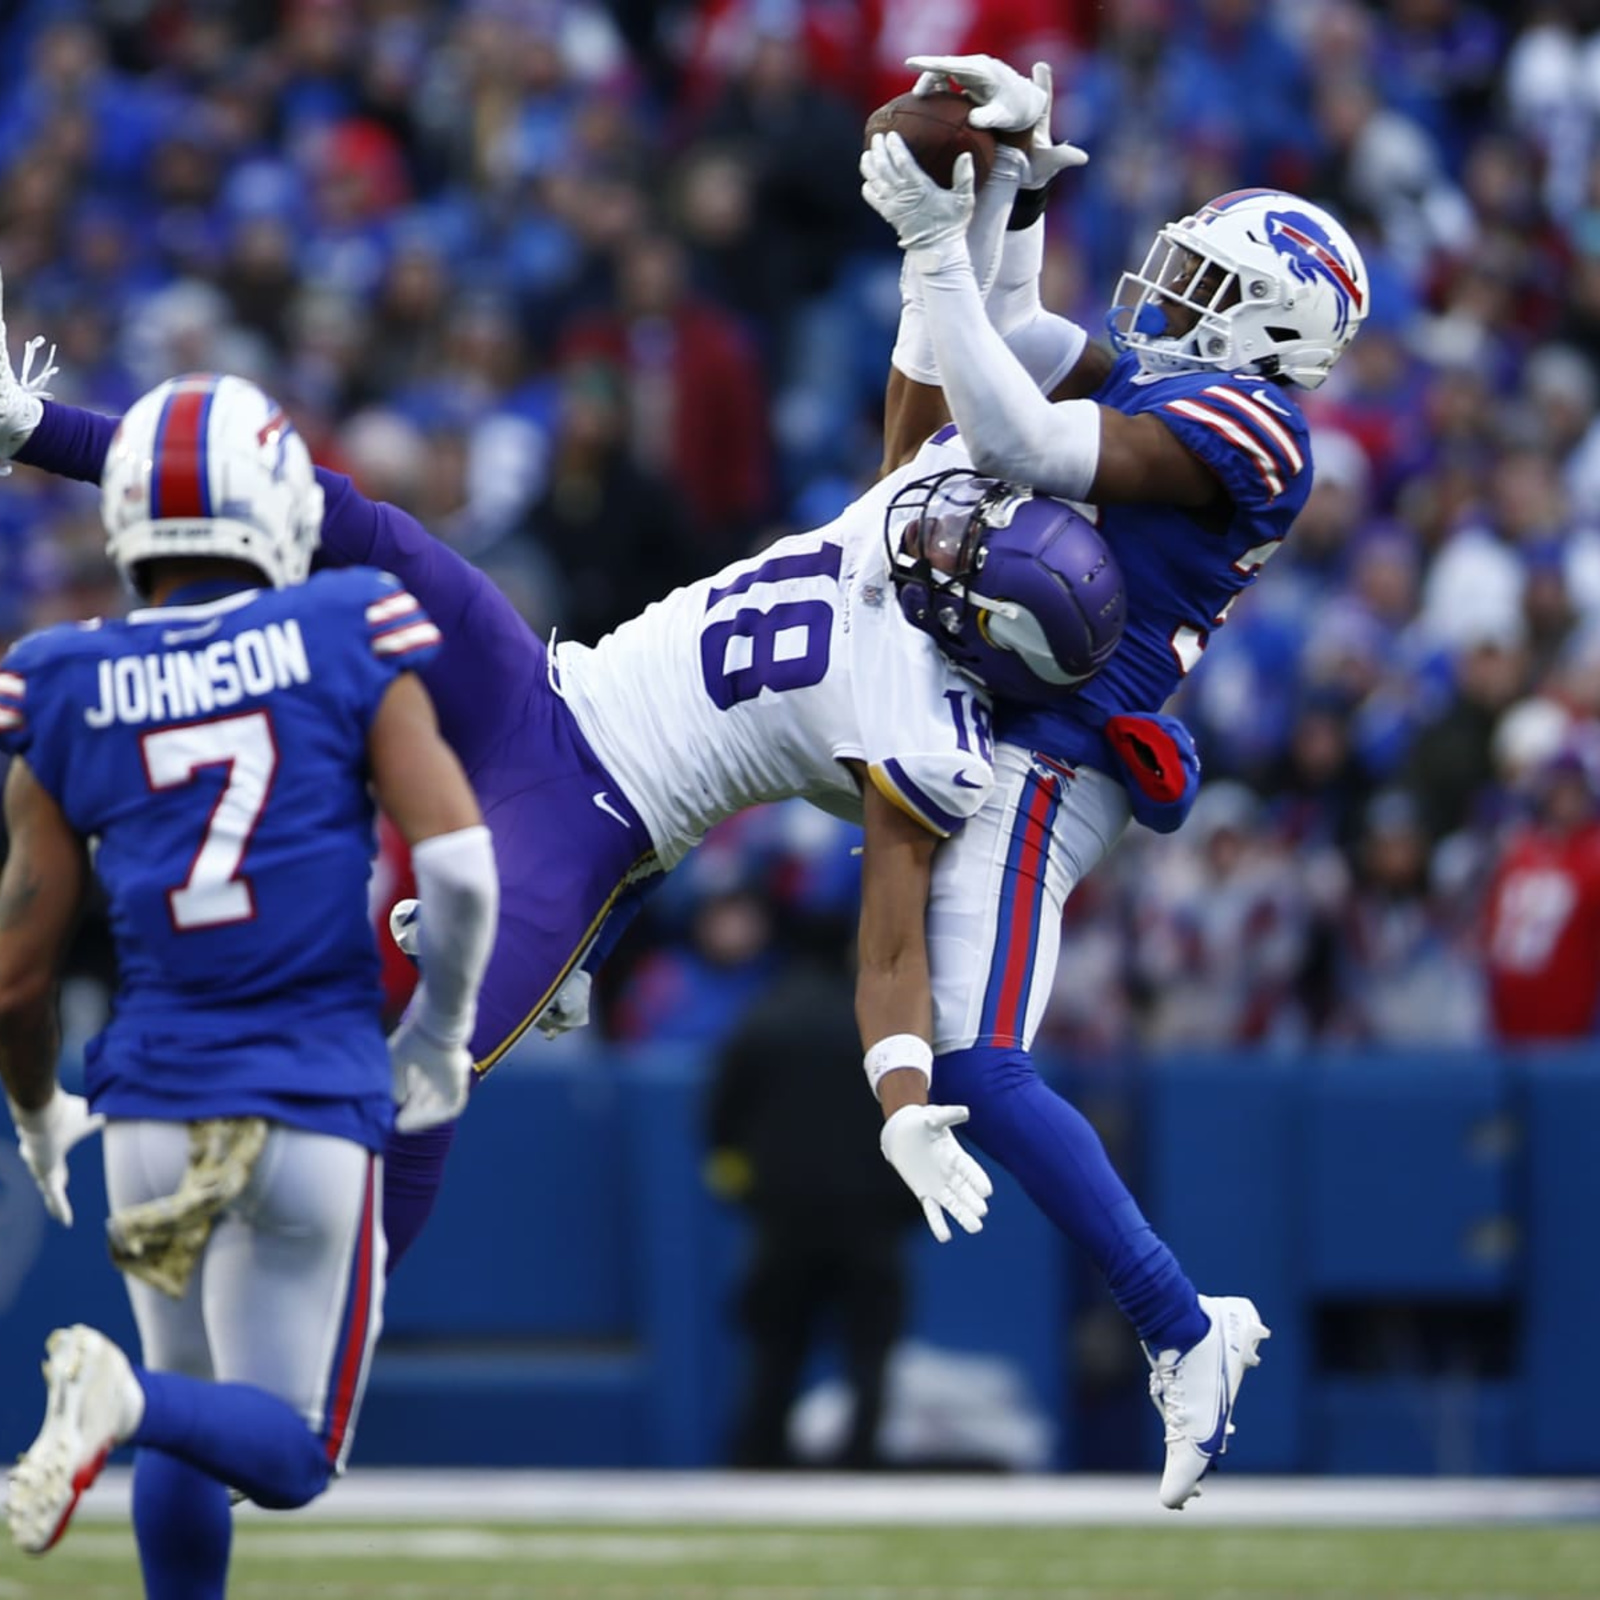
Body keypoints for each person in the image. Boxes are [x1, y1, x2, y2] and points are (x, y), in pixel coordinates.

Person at [0, 289, 1124, 1268]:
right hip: (534, 687)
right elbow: (941, 333)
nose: (945, 533)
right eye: (972, 528)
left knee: (426, 1076)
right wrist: (980, 202)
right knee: (339, 516)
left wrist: (903, 1093)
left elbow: (887, 945)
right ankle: (32, 425)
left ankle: (331, 1325)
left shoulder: (924, 721)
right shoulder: (911, 521)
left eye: (970, 556)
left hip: (581, 814)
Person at [859, 51, 1370, 1504]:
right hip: (995, 721)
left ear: (1271, 328)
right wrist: (1011, 185)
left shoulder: (1259, 432)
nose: (1169, 302)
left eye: (1208, 290)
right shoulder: (1182, 375)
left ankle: (1183, 1324)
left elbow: (1014, 431)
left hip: (1055, 762)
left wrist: (925, 247)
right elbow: (1011, 330)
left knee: (974, 1061)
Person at [0, 371, 499, 1586]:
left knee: (186, 1389)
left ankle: (133, 1405)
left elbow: (17, 974)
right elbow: (466, 874)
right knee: (290, 1451)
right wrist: (436, 1035)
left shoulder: (62, 674)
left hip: (149, 1104)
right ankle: (117, 1401)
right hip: (308, 1089)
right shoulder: (345, 625)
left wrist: (36, 1108)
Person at [707, 905, 918, 1469]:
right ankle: (861, 1463)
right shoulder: (882, 1031)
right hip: (870, 1220)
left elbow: (719, 1127)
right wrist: (905, 1207)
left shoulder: (761, 1020)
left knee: (775, 1352)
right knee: (868, 1358)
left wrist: (749, 1197)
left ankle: (758, 1461)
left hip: (782, 1223)